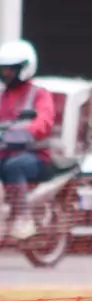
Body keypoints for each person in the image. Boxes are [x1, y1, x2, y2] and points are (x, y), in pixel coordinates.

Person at [0, 39, 55, 240]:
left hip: (35, 157)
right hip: (5, 153)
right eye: (2, 70)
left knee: (14, 166)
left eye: (9, 70)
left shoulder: (39, 94)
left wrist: (25, 132)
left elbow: (45, 121)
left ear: (24, 68)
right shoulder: (2, 96)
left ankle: (23, 217)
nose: (5, 74)